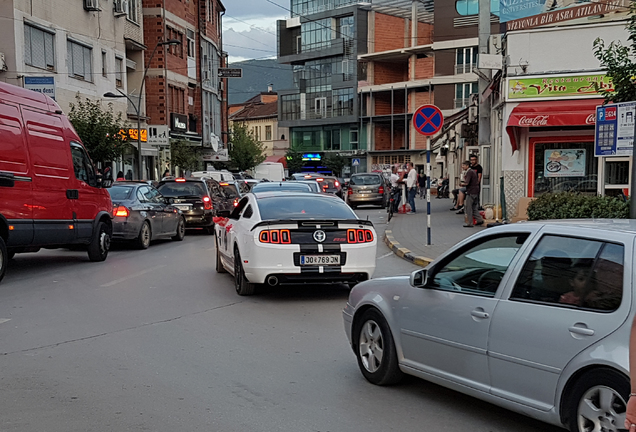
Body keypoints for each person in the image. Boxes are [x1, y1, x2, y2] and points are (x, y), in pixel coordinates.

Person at [462, 161, 484, 227]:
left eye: (463, 165)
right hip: (476, 191)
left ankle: (470, 223)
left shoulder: (469, 172)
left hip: (471, 192)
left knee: (468, 207)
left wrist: (462, 184)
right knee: (474, 207)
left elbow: (467, 182)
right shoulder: (473, 171)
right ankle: (479, 220)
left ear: (467, 166)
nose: (462, 167)